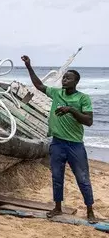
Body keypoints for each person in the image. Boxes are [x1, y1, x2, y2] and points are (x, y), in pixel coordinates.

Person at [21, 56, 96, 223]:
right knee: (57, 177)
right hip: (57, 143)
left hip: (75, 145)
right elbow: (39, 86)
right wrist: (29, 66)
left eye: (68, 78)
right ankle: (57, 208)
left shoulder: (83, 98)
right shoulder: (56, 93)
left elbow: (89, 121)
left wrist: (71, 110)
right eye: (64, 77)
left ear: (76, 82)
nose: (64, 79)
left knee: (82, 178)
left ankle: (90, 210)